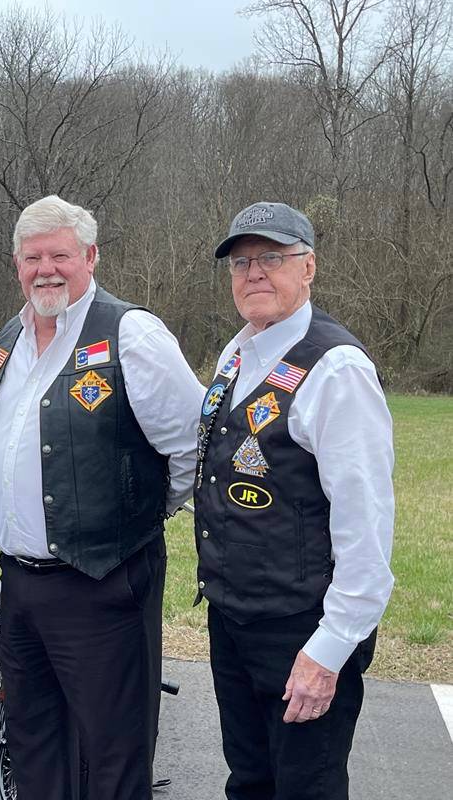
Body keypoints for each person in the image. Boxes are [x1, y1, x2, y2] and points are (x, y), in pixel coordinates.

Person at [0, 195, 204, 800]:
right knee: (32, 743)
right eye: (33, 257)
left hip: (104, 583)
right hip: (21, 587)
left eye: (61, 255)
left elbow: (193, 447)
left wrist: (136, 510)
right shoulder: (2, 344)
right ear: (16, 263)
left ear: (90, 257)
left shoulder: (132, 335)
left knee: (114, 755)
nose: (46, 268)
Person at [195, 202, 394, 800]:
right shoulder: (238, 355)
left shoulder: (336, 369)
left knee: (305, 788)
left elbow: (367, 523)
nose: (253, 274)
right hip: (234, 617)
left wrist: (329, 651)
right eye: (241, 262)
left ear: (308, 268)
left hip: (302, 628)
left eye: (272, 259)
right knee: (250, 781)